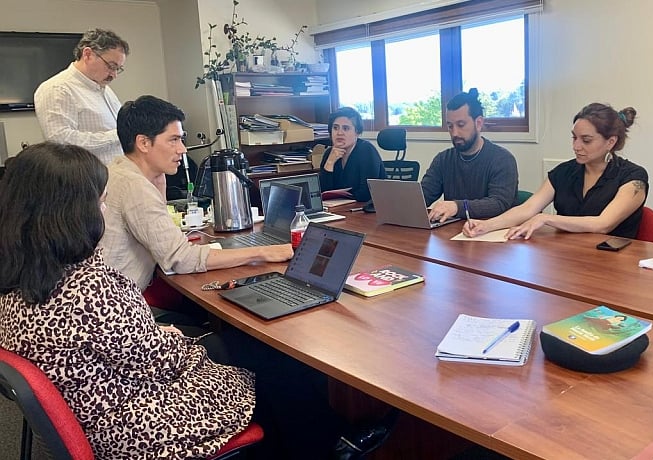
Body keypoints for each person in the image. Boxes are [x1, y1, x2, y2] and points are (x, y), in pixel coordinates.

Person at [0, 142, 393, 460]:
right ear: (69, 215)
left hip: (101, 406)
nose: (104, 210)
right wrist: (173, 337)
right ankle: (328, 444)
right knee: (273, 357)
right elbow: (162, 360)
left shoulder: (17, 280)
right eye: (100, 202)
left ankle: (314, 437)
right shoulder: (90, 289)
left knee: (247, 348)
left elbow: (122, 347)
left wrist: (165, 334)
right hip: (143, 423)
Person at [99, 95, 293, 293]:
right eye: (173, 140)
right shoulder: (135, 186)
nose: (182, 149)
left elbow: (163, 239)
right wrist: (263, 252)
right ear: (143, 143)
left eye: (181, 139)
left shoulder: (117, 171)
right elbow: (181, 259)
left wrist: (159, 185)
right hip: (117, 310)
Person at [463, 103, 648, 239]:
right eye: (574, 138)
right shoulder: (563, 172)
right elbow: (528, 208)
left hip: (613, 266)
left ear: (611, 142)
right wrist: (486, 225)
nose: (576, 146)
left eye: (586, 140)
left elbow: (603, 224)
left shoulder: (633, 178)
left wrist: (547, 219)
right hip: (567, 258)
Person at [421, 88, 519, 223]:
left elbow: (499, 203)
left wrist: (457, 206)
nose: (454, 133)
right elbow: (423, 196)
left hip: (491, 235)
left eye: (461, 125)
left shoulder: (502, 159)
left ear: (478, 123)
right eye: (450, 126)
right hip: (452, 235)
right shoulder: (443, 159)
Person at [34, 28, 128, 165]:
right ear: (88, 54)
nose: (114, 75)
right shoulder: (57, 89)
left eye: (118, 69)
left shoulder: (104, 89)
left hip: (116, 175)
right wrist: (118, 135)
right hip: (86, 181)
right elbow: (61, 141)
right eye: (111, 66)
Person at [319, 107, 386, 202]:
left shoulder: (366, 150)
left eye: (346, 128)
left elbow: (366, 193)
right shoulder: (329, 153)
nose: (339, 133)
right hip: (338, 209)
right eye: (335, 128)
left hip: (367, 210)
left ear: (357, 132)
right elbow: (323, 192)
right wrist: (330, 162)